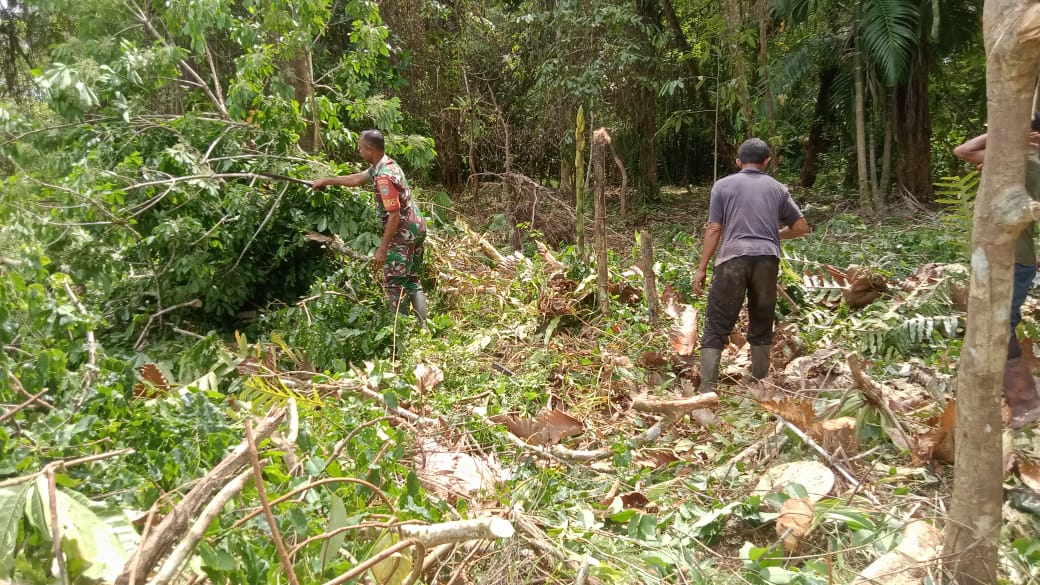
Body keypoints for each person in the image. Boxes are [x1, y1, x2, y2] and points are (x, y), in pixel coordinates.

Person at [695, 138, 810, 392]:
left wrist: (702, 268)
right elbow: (801, 227)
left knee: (717, 323)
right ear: (767, 161)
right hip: (767, 260)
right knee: (761, 319)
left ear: (738, 162)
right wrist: (772, 235)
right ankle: (760, 383)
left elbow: (714, 228)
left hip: (732, 259)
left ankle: (707, 390)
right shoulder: (778, 188)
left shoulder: (722, 186)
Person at [953, 114, 1040, 428]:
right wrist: (1012, 134)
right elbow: (964, 152)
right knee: (994, 322)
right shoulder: (1012, 160)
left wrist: (1012, 135)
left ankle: (1026, 401)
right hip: (1003, 256)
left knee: (1001, 324)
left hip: (1015, 258)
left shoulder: (1028, 164)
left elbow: (964, 151)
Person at [312, 130, 429, 327]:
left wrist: (382, 249)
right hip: (417, 227)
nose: (358, 151)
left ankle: (400, 333)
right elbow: (357, 179)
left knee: (394, 284)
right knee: (411, 279)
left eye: (360, 148)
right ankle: (423, 328)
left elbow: (394, 215)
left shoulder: (384, 178)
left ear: (370, 149)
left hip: (403, 233)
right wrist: (327, 181)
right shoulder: (386, 164)